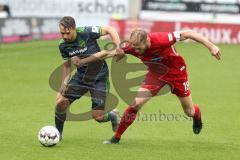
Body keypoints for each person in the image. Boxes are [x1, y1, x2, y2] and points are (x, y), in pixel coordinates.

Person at [102, 29, 221, 144]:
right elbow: (109, 52)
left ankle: (197, 115)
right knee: (135, 104)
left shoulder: (161, 39)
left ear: (147, 40)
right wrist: (86, 61)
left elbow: (188, 33)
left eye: (139, 48)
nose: (136, 50)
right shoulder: (133, 46)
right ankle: (116, 137)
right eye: (135, 47)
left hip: (177, 74)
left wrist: (211, 46)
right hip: (156, 75)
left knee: (189, 111)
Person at [55, 16, 121, 138]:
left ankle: (112, 115)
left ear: (74, 29)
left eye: (67, 33)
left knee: (98, 116)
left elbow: (110, 29)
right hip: (81, 77)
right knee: (61, 103)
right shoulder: (62, 45)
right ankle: (57, 134)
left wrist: (118, 47)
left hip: (99, 76)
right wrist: (63, 83)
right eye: (62, 33)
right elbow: (68, 65)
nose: (64, 36)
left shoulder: (86, 32)